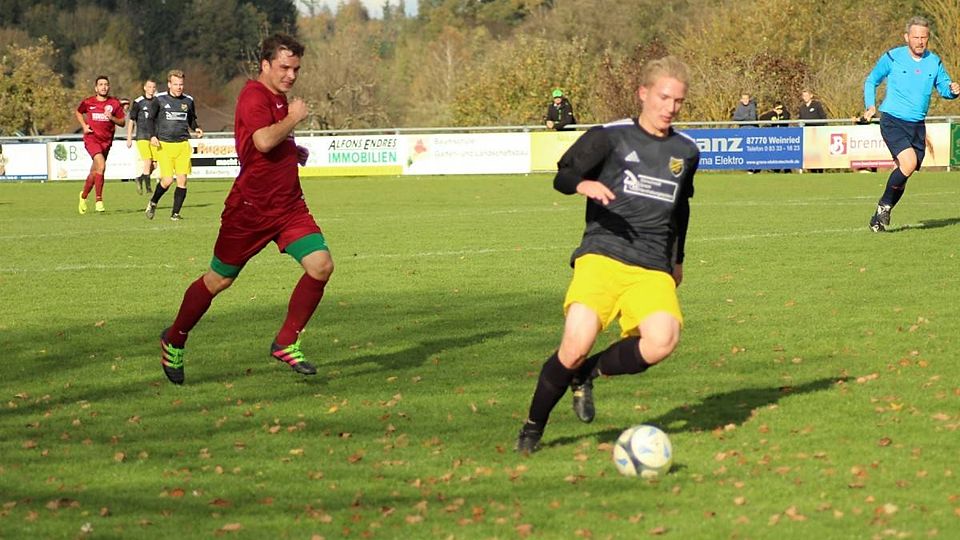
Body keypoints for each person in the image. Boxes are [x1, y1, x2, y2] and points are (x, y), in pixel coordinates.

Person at [515, 56, 699, 453]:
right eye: (664, 97)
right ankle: (533, 426)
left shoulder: (686, 150)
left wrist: (678, 259)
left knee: (662, 340)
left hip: (652, 265)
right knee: (573, 345)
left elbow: (681, 209)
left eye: (678, 101)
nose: (670, 108)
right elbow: (563, 175)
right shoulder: (610, 136)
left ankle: (587, 373)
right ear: (643, 93)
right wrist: (583, 185)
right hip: (602, 255)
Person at [157, 33, 332, 386]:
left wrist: (291, 151)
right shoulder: (254, 95)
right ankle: (174, 338)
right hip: (250, 210)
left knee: (321, 266)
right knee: (219, 279)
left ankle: (286, 342)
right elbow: (263, 140)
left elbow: (269, 142)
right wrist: (294, 119)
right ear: (265, 65)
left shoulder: (278, 98)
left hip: (288, 207)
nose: (291, 75)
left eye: (296, 69)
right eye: (284, 67)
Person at [864, 16, 960, 232]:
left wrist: (953, 91)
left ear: (928, 38)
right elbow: (872, 80)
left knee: (903, 174)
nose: (920, 41)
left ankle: (877, 219)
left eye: (924, 37)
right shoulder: (892, 57)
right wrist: (870, 105)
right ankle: (884, 206)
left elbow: (944, 87)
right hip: (893, 120)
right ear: (906, 37)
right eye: (916, 37)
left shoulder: (934, 61)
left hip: (917, 125)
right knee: (908, 163)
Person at [144, 69, 203, 221]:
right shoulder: (159, 99)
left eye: (181, 84)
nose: (179, 87)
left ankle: (175, 214)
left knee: (182, 180)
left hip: (182, 145)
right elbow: (150, 120)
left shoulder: (188, 101)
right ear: (169, 84)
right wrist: (152, 136)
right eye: (176, 84)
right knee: (168, 180)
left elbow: (191, 119)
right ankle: (153, 202)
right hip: (164, 145)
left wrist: (196, 128)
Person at [74, 75, 126, 214]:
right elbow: (78, 112)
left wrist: (112, 117)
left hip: (106, 142)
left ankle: (83, 196)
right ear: (96, 88)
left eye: (106, 84)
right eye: (101, 84)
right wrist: (84, 126)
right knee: (101, 166)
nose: (104, 87)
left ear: (109, 87)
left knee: (95, 172)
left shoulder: (114, 103)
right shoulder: (88, 102)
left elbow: (122, 122)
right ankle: (99, 200)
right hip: (92, 139)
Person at [126, 79, 158, 195]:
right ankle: (148, 188)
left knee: (154, 164)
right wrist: (129, 137)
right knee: (147, 161)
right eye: (149, 87)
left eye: (153, 87)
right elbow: (131, 120)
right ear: (145, 88)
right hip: (142, 136)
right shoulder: (138, 102)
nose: (151, 89)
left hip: (154, 136)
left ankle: (140, 178)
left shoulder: (158, 101)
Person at [758, 102, 791, 172]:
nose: (780, 110)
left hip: (784, 137)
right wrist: (773, 112)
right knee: (775, 154)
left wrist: (782, 112)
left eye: (781, 108)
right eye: (778, 108)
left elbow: (787, 117)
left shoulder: (785, 114)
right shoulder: (772, 114)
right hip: (775, 137)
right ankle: (776, 169)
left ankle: (787, 169)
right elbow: (761, 118)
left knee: (785, 154)